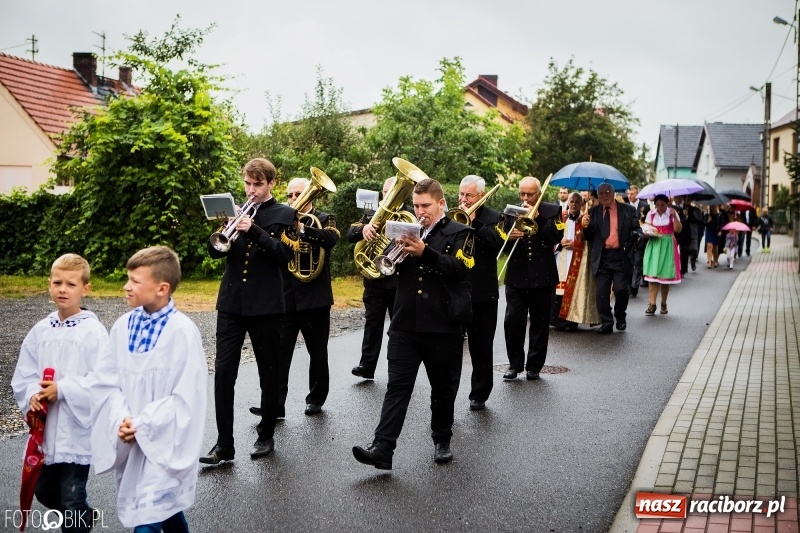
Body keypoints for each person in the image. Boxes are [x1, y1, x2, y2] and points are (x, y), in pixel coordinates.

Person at [352, 178, 474, 470]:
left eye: (426, 206)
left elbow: (461, 269)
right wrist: (377, 237)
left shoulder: (461, 232)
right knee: (397, 387)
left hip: (443, 325)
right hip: (405, 322)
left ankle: (442, 439)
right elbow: (386, 266)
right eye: (416, 205)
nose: (420, 211)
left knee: (443, 388)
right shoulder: (405, 229)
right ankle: (383, 448)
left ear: (441, 204)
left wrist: (425, 252)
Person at [91, 246, 206, 532]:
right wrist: (122, 420)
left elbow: (187, 396)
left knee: (147, 521)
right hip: (129, 436)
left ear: (161, 288)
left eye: (135, 281)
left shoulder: (182, 332)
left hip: (163, 438)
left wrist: (143, 424)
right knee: (164, 510)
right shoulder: (122, 326)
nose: (126, 287)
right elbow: (107, 380)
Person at [200, 157, 297, 464]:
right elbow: (217, 252)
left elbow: (285, 255)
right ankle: (223, 444)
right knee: (223, 373)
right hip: (231, 303)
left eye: (258, 184)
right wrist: (221, 236)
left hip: (266, 306)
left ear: (271, 184)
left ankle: (266, 434)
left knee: (268, 373)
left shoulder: (286, 214)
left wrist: (254, 230)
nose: (251, 190)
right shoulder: (235, 211)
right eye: (247, 183)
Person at [11, 254, 108, 533]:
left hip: (77, 430)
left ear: (85, 289)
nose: (63, 289)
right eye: (57, 283)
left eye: (71, 284)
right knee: (44, 490)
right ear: (49, 285)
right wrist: (31, 393)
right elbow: (25, 371)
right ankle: (84, 517)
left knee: (72, 495)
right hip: (49, 429)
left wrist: (63, 389)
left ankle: (78, 521)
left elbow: (103, 379)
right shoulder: (41, 330)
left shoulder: (93, 332)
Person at [270, 177, 339, 417]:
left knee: (317, 352)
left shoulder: (324, 218)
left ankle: (316, 398)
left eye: (298, 193)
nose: (294, 199)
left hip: (315, 297)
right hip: (286, 296)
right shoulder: (280, 217)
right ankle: (276, 404)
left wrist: (302, 229)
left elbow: (331, 240)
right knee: (280, 354)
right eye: (290, 195)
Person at [502, 176, 563, 378]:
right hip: (516, 276)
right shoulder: (510, 212)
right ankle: (514, 364)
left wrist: (538, 217)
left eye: (530, 194)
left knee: (539, 322)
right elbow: (503, 247)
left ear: (539, 193)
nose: (526, 198)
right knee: (513, 322)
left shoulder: (553, 211)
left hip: (542, 277)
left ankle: (534, 366)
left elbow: (557, 236)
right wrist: (509, 237)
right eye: (522, 193)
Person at [456, 175, 504, 411]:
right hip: (456, 290)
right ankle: (447, 393)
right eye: (461, 194)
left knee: (481, 347)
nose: (463, 200)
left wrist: (475, 222)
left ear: (482, 196)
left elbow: (498, 244)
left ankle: (480, 394)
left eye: (468, 195)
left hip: (483, 293)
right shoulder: (452, 215)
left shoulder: (495, 218)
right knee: (451, 347)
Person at [348, 177, 401, 380]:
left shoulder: (410, 214)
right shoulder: (372, 214)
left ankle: (397, 368)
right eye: (386, 191)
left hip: (398, 280)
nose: (388, 195)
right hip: (374, 280)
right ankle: (367, 365)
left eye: (393, 191)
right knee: (372, 323)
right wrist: (363, 229)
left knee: (398, 327)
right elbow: (350, 234)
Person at [582, 183, 642, 333]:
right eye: (601, 193)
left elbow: (637, 229)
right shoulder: (593, 212)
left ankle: (620, 315)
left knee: (621, 290)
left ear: (613, 193)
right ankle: (607, 322)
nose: (604, 196)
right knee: (601, 292)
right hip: (602, 257)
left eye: (607, 192)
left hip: (621, 255)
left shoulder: (628, 210)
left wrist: (638, 236)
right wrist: (586, 226)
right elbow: (589, 237)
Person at [551, 192, 600, 331]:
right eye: (571, 201)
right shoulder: (561, 217)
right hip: (560, 257)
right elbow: (552, 235)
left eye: (577, 202)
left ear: (581, 204)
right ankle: (557, 321)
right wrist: (559, 241)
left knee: (572, 290)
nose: (573, 204)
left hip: (576, 261)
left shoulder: (584, 220)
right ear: (568, 202)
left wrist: (576, 245)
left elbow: (590, 241)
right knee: (558, 290)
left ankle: (571, 321)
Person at [642, 195, 682, 315]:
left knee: (665, 277)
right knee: (652, 276)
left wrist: (674, 216)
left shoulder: (672, 213)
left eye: (662, 205)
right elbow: (646, 230)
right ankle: (652, 304)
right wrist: (648, 233)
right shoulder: (651, 214)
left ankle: (663, 302)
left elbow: (678, 229)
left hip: (667, 245)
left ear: (667, 204)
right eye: (657, 205)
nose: (659, 208)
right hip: (654, 244)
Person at [626, 185, 650, 296]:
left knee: (637, 262)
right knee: (629, 263)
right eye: (628, 194)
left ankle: (634, 287)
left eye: (632, 194)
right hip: (629, 239)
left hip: (640, 238)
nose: (630, 196)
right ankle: (629, 285)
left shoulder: (645, 206)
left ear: (637, 194)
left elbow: (648, 221)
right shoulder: (625, 207)